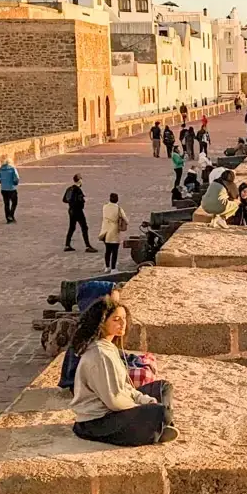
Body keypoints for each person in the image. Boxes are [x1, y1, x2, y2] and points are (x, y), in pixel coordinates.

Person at [69, 298, 178, 447]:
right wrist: (142, 407)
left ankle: (159, 426)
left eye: (124, 319)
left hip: (116, 407)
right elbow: (114, 401)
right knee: (160, 412)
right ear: (101, 323)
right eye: (116, 319)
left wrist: (144, 399)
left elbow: (126, 387)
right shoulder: (100, 354)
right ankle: (158, 425)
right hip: (97, 422)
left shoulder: (109, 348)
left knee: (164, 387)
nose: (123, 324)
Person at [63, 174, 96, 253]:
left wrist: (71, 203)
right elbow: (81, 201)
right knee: (84, 227)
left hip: (71, 210)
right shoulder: (78, 190)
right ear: (79, 180)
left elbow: (64, 199)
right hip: (78, 211)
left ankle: (67, 245)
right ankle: (88, 246)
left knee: (72, 227)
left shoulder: (69, 189)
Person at [99, 192, 128, 272]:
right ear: (117, 199)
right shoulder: (118, 209)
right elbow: (126, 220)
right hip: (114, 232)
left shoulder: (105, 207)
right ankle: (113, 268)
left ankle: (107, 267)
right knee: (114, 251)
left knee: (107, 251)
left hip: (105, 231)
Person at [0, 159, 19, 224]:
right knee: (14, 202)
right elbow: (16, 178)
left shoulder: (0, 169)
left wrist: (2, 182)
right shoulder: (13, 169)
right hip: (11, 189)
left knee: (6, 204)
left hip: (3, 189)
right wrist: (15, 183)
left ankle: (8, 218)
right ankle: (11, 215)